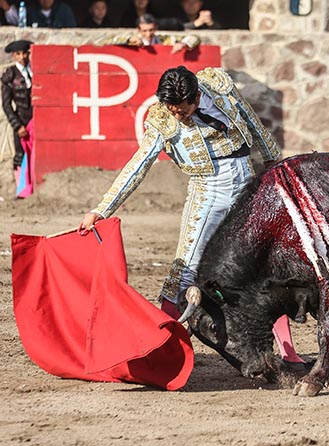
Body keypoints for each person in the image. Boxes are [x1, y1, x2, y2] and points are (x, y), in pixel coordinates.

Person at [77, 66, 306, 366]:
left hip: (247, 184)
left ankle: (287, 351)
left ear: (197, 96)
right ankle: (158, 349)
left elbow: (250, 118)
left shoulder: (218, 86)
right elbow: (137, 166)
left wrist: (272, 159)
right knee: (183, 271)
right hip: (207, 193)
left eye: (182, 110)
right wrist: (102, 209)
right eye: (171, 110)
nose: (176, 116)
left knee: (262, 269)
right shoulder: (161, 120)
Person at [1, 40, 33, 198]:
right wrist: (17, 125)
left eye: (25, 53)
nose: (22, 57)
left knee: (36, 154)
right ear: (13, 55)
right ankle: (22, 191)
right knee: (20, 155)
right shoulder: (10, 75)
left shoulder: (36, 70)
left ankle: (33, 189)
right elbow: (6, 105)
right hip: (21, 120)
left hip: (36, 121)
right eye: (18, 54)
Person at [104, 14, 200, 54]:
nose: (148, 34)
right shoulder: (132, 40)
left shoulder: (165, 39)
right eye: (144, 31)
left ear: (156, 28)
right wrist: (128, 40)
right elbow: (105, 41)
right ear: (138, 29)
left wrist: (183, 44)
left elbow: (195, 37)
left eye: (151, 30)